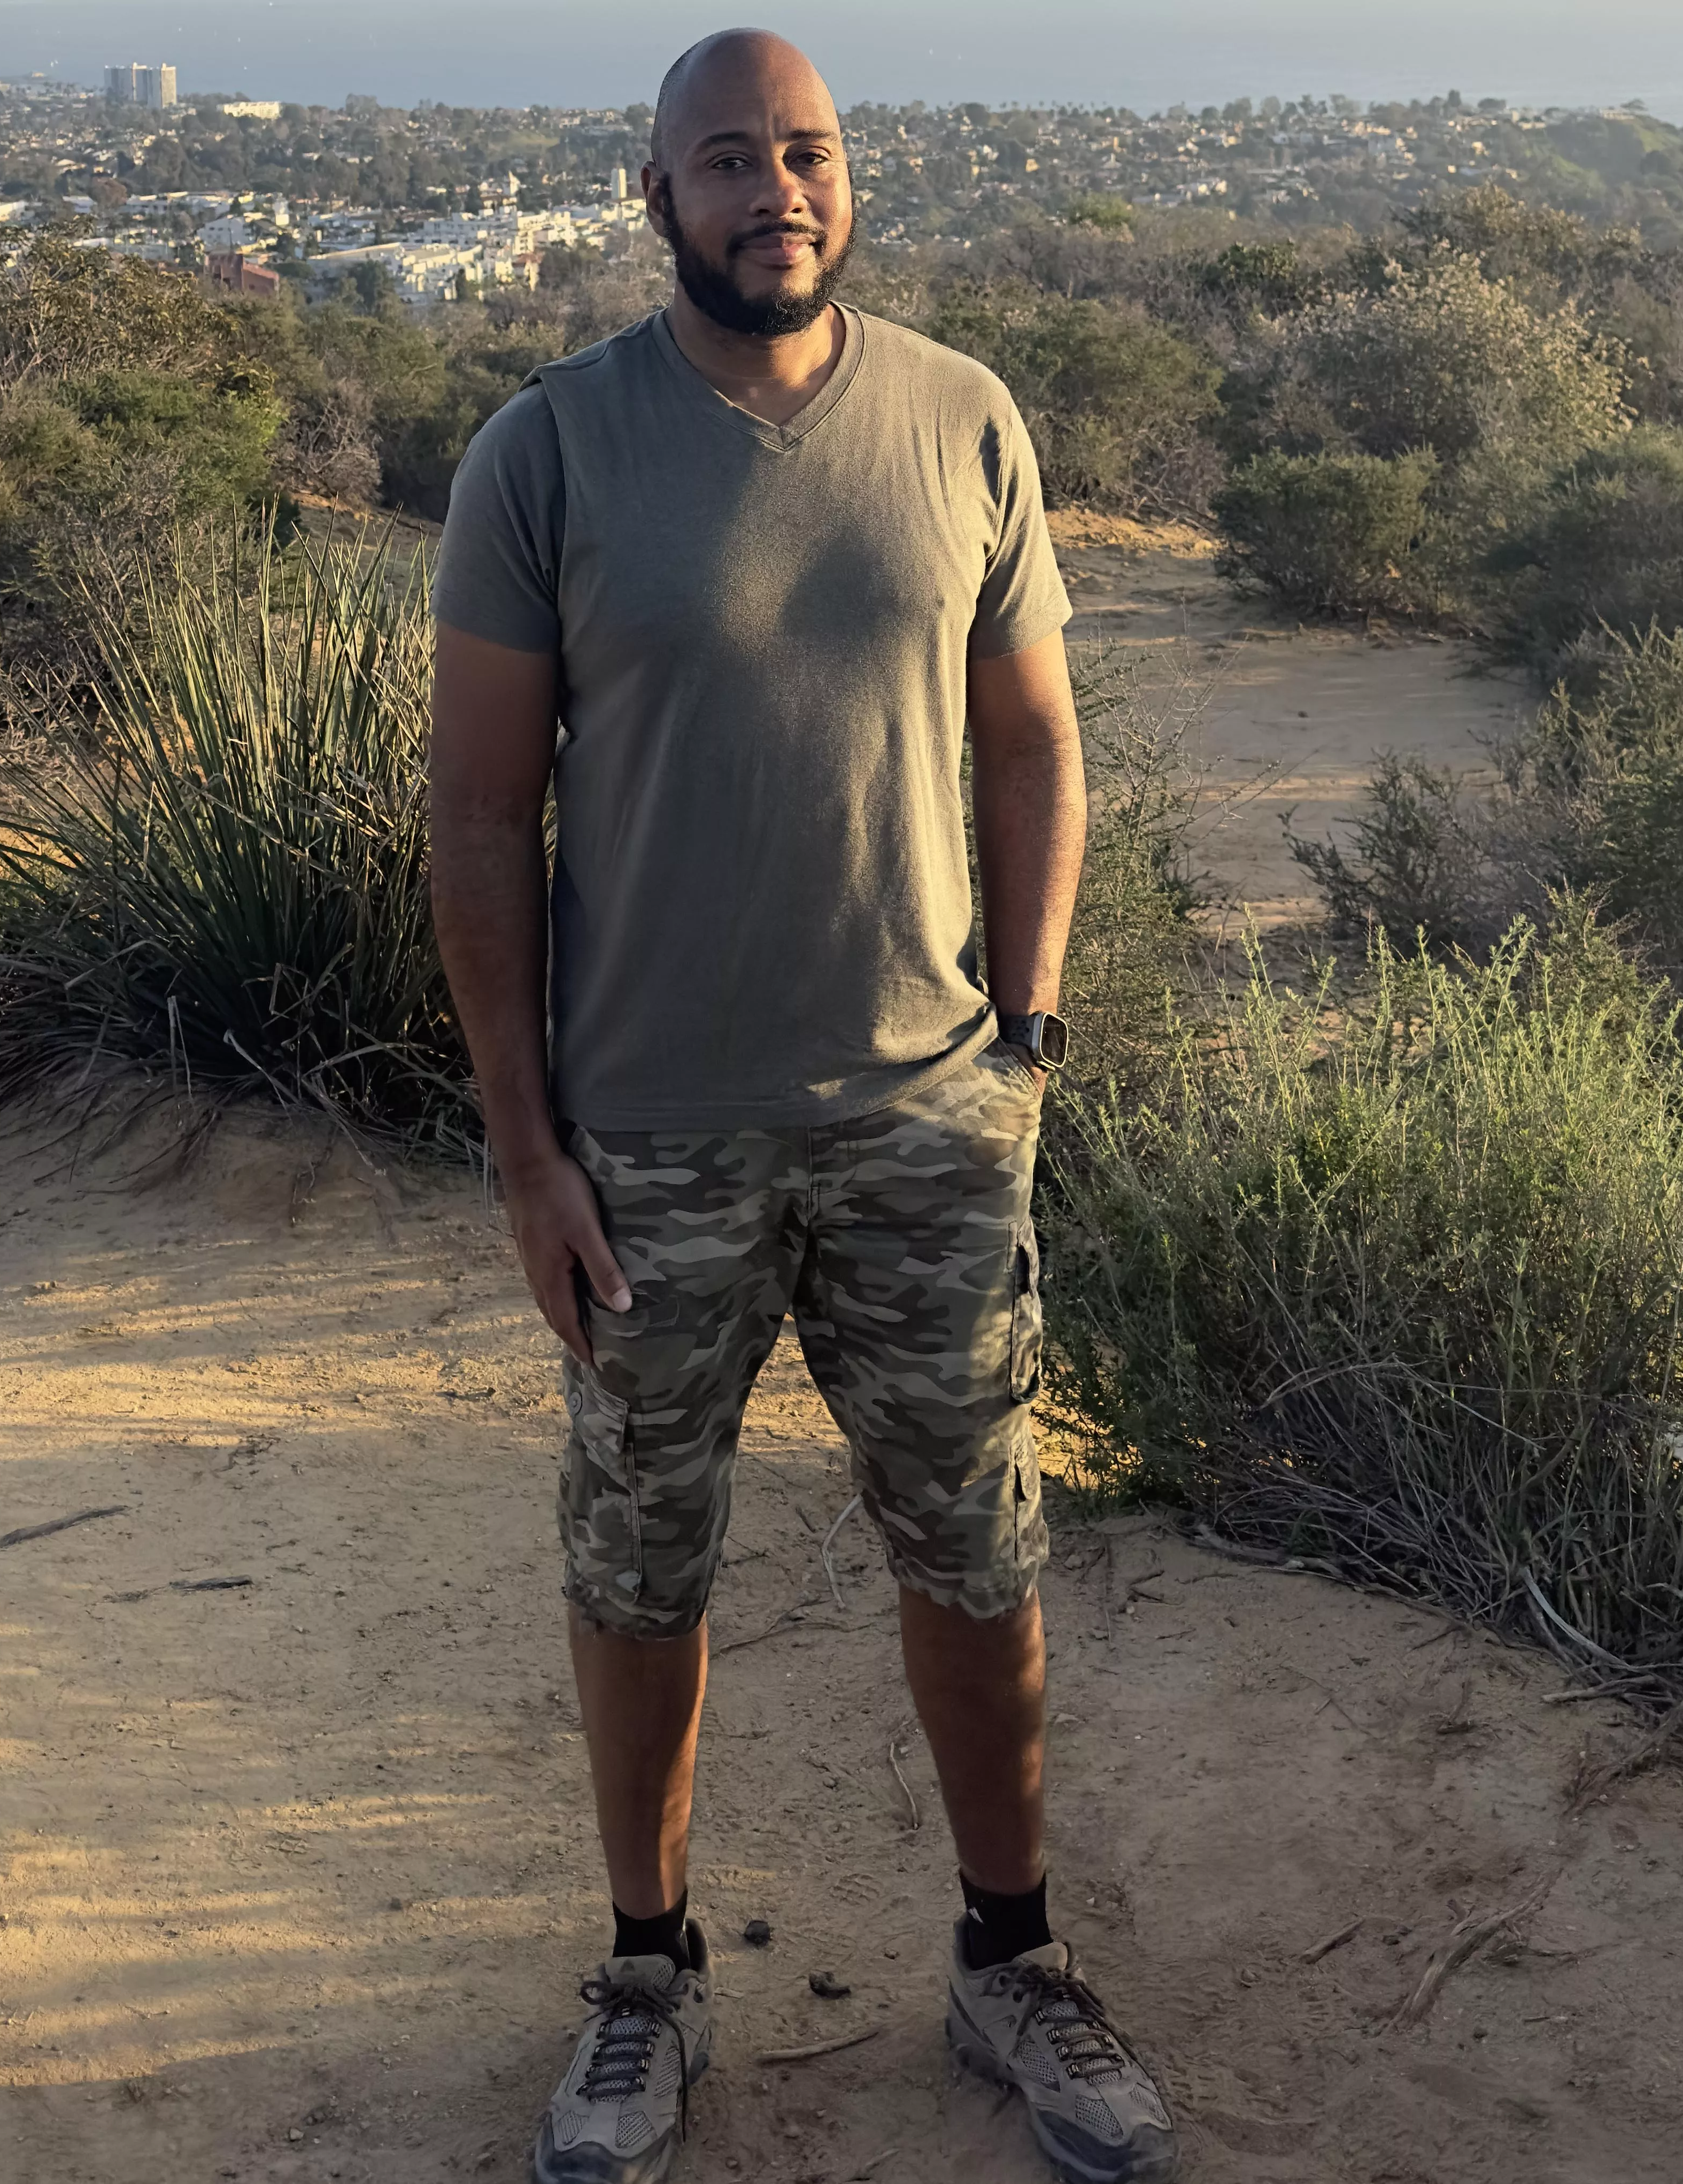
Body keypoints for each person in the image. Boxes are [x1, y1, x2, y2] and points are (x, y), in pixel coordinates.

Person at [429, 28, 1179, 2184]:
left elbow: (1034, 740)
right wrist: (525, 1149)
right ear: (653, 190)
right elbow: (479, 819)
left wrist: (1022, 1036)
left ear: (851, 179)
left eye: (810, 152)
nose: (778, 187)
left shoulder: (964, 421)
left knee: (976, 1542)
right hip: (645, 1138)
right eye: (730, 158)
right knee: (641, 1557)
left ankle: (1009, 1955)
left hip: (929, 1117)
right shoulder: (550, 452)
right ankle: (647, 1979)